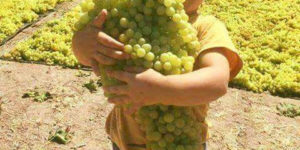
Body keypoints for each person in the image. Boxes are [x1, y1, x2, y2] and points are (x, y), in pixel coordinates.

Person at [72, 0, 243, 149]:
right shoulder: (128, 21)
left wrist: (160, 89)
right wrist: (81, 44)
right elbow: (88, 56)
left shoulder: (207, 27)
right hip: (124, 139)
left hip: (181, 142)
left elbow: (217, 82)